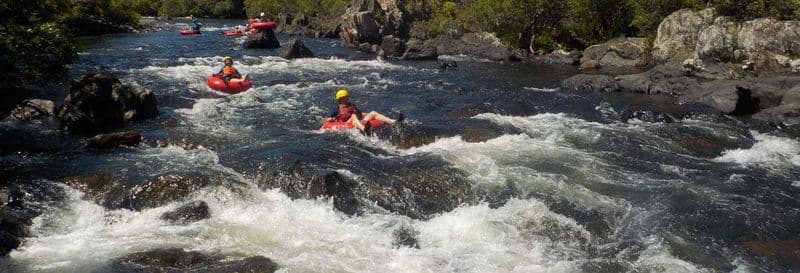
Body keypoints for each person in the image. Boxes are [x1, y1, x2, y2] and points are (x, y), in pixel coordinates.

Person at [324, 89, 403, 134]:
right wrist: (330, 119)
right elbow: (328, 119)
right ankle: (364, 129)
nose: (346, 99)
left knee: (373, 112)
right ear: (340, 99)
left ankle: (393, 121)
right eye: (344, 97)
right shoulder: (336, 108)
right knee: (353, 116)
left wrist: (369, 115)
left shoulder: (352, 105)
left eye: (347, 97)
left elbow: (360, 114)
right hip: (347, 123)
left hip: (357, 121)